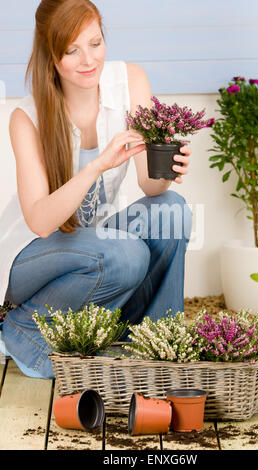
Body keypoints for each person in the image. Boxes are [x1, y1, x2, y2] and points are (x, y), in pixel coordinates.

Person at [0, 0, 193, 379]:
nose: (88, 60)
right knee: (125, 255)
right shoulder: (27, 117)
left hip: (95, 241)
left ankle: (157, 348)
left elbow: (149, 185)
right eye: (71, 50)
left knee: (173, 211)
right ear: (51, 56)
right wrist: (98, 165)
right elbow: (40, 220)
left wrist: (169, 166)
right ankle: (22, 331)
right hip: (30, 255)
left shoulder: (130, 82)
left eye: (95, 43)